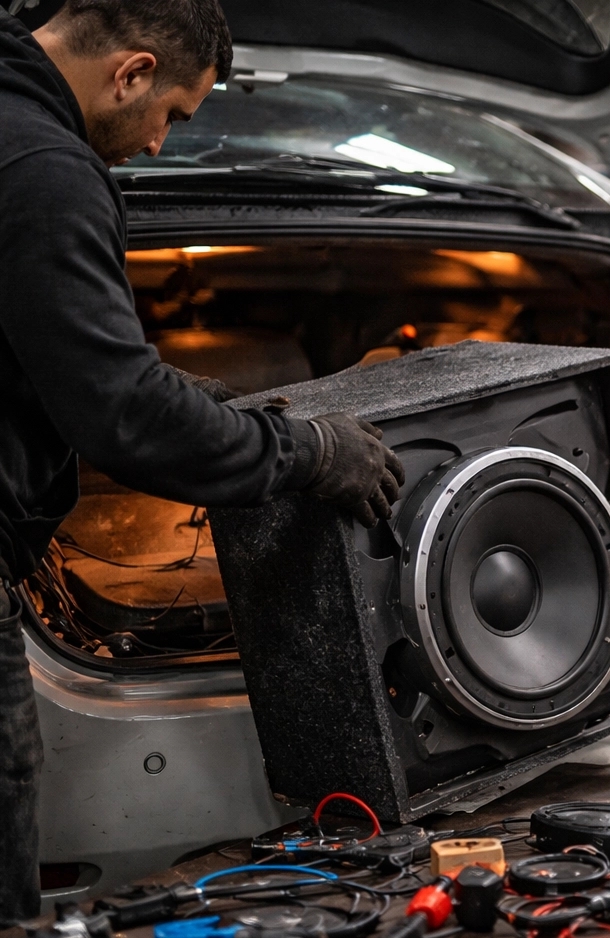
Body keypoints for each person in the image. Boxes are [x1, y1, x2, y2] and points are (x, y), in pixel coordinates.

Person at [0, 0, 404, 921]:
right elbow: (124, 419)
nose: (157, 144)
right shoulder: (43, 169)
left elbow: (39, 345)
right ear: (132, 72)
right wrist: (307, 450)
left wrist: (200, 400)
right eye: (173, 115)